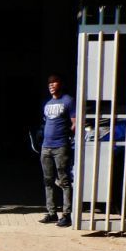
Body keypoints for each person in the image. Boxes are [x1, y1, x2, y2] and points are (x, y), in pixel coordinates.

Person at [38, 74, 75, 227]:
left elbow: (75, 123)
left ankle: (66, 215)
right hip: (46, 147)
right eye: (49, 83)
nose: (51, 85)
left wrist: (68, 138)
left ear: (60, 84)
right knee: (48, 181)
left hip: (61, 146)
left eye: (54, 82)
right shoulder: (47, 103)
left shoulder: (68, 100)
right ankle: (52, 213)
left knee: (64, 181)